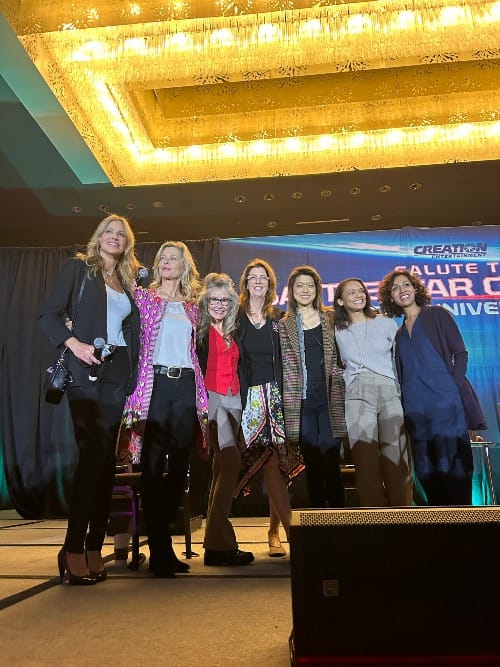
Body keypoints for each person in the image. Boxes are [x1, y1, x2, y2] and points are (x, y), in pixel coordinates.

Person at [40, 214, 141, 585]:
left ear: (127, 244)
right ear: (98, 238)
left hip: (115, 378)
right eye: (108, 232)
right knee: (92, 457)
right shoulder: (78, 269)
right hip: (84, 374)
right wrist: (74, 344)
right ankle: (71, 548)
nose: (114, 237)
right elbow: (48, 316)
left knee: (104, 464)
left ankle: (94, 544)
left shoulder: (126, 282)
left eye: (121, 234)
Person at [120, 241, 208, 577]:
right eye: (163, 259)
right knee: (153, 469)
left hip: (184, 384)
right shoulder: (144, 298)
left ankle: (165, 544)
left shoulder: (191, 307)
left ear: (185, 266)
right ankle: (158, 550)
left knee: (181, 465)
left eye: (174, 258)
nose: (167, 263)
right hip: (155, 386)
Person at [378, 270, 487, 505]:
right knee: (427, 474)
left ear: (416, 289)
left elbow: (461, 352)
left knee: (455, 472)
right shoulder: (397, 334)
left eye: (406, 284)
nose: (402, 290)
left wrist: (452, 387)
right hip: (417, 413)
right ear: (391, 297)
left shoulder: (437, 315)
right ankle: (440, 533)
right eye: (395, 288)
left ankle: (465, 532)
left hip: (446, 407)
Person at [235, 259, 303, 557]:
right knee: (264, 463)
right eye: (253, 277)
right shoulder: (234, 318)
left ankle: (279, 530)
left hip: (279, 397)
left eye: (264, 277)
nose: (258, 281)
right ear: (246, 283)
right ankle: (283, 532)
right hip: (248, 399)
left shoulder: (281, 317)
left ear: (271, 284)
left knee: (278, 464)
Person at [333, 277, 412, 506]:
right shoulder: (337, 330)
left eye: (361, 291)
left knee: (396, 456)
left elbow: (400, 359)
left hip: (388, 390)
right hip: (356, 394)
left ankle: (403, 517)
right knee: (364, 459)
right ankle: (374, 520)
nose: (359, 295)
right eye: (351, 293)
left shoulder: (386, 323)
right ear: (340, 301)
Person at [197, 273, 254, 566]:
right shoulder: (199, 331)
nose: (218, 305)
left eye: (224, 300)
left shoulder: (234, 330)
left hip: (234, 402)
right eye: (213, 300)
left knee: (222, 469)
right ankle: (221, 542)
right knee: (230, 463)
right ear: (205, 302)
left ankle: (213, 545)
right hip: (212, 400)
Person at [279, 266, 346, 508]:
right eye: (299, 286)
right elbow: (286, 365)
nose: (305, 290)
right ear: (291, 291)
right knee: (312, 461)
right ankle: (317, 520)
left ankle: (340, 520)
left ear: (317, 289)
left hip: (330, 396)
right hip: (302, 398)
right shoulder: (284, 324)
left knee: (330, 459)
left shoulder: (331, 317)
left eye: (310, 285)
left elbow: (343, 354)